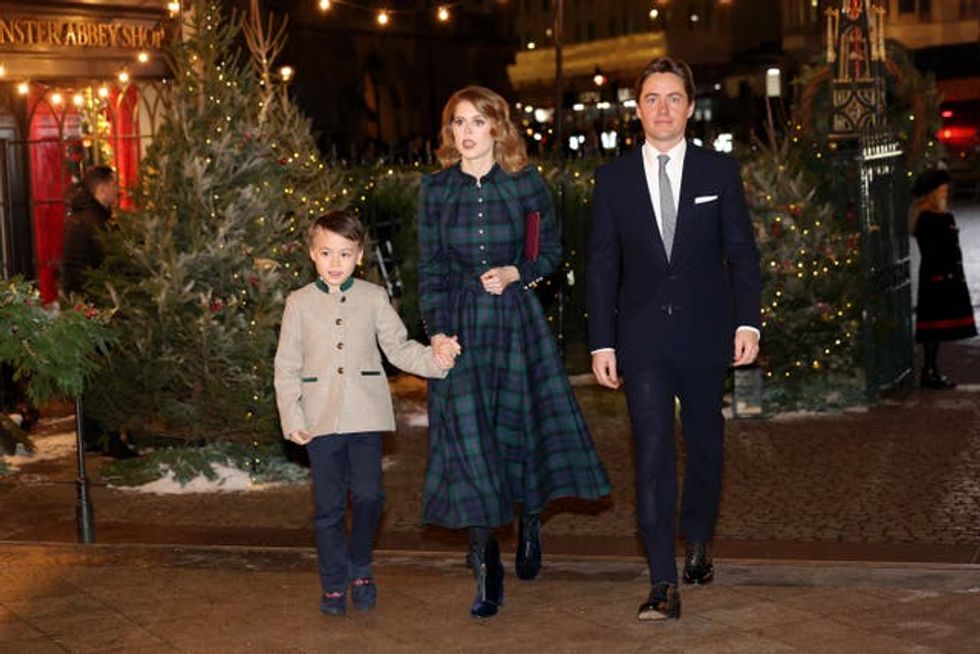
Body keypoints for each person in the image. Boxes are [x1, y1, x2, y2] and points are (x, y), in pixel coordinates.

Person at [417, 85, 610, 619]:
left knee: (519, 431)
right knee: (467, 440)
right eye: (458, 122)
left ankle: (529, 521)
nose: (467, 132)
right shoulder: (435, 191)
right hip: (460, 327)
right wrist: (436, 333)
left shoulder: (525, 183)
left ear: (497, 128)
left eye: (477, 121)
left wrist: (515, 273)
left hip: (514, 323)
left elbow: (550, 253)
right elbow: (429, 269)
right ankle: (485, 563)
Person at [587, 57, 761, 621]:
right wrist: (601, 342)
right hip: (641, 340)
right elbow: (601, 266)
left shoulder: (719, 172)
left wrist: (747, 322)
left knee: (706, 446)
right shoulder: (613, 180)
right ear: (637, 109)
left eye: (673, 98)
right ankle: (662, 579)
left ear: (689, 106)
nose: (662, 109)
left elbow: (742, 254)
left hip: (706, 334)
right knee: (653, 452)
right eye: (652, 98)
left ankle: (699, 536)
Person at [274, 211, 459, 617]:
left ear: (359, 256)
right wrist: (293, 417)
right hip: (319, 420)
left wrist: (436, 360)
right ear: (312, 254)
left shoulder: (374, 297)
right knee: (328, 508)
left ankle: (360, 563)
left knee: (370, 497)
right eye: (326, 253)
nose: (335, 262)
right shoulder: (298, 303)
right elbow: (286, 367)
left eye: (345, 253)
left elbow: (398, 347)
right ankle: (334, 583)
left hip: (366, 416)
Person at [60, 166, 138, 459]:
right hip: (97, 311)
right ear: (102, 188)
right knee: (104, 375)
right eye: (115, 184)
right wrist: (100, 305)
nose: (118, 190)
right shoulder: (90, 223)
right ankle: (106, 438)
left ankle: (93, 435)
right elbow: (83, 271)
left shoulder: (91, 220)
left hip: (94, 308)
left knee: (95, 375)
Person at [908, 168, 977, 389]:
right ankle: (929, 371)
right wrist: (945, 273)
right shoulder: (929, 217)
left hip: (942, 274)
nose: (946, 193)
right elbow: (935, 249)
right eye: (942, 190)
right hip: (937, 275)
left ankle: (931, 369)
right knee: (932, 325)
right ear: (933, 193)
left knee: (935, 326)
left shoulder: (937, 216)